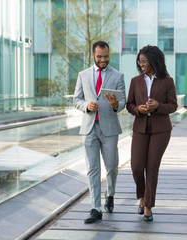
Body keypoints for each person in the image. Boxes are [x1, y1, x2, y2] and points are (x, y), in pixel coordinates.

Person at [73, 41, 126, 224]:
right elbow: (76, 100)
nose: (103, 60)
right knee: (92, 169)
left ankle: (110, 194)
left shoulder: (118, 76)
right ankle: (95, 208)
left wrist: (115, 105)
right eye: (99, 56)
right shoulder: (83, 75)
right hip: (89, 128)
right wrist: (86, 105)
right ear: (93, 55)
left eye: (106, 56)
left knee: (112, 166)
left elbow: (123, 102)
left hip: (109, 128)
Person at [126, 45, 178, 222]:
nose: (141, 64)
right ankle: (142, 196)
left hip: (161, 130)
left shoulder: (167, 81)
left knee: (152, 167)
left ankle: (148, 205)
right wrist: (138, 109)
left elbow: (173, 106)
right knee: (137, 167)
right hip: (140, 128)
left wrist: (158, 107)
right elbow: (129, 105)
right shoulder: (135, 81)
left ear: (154, 61)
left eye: (144, 61)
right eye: (139, 61)